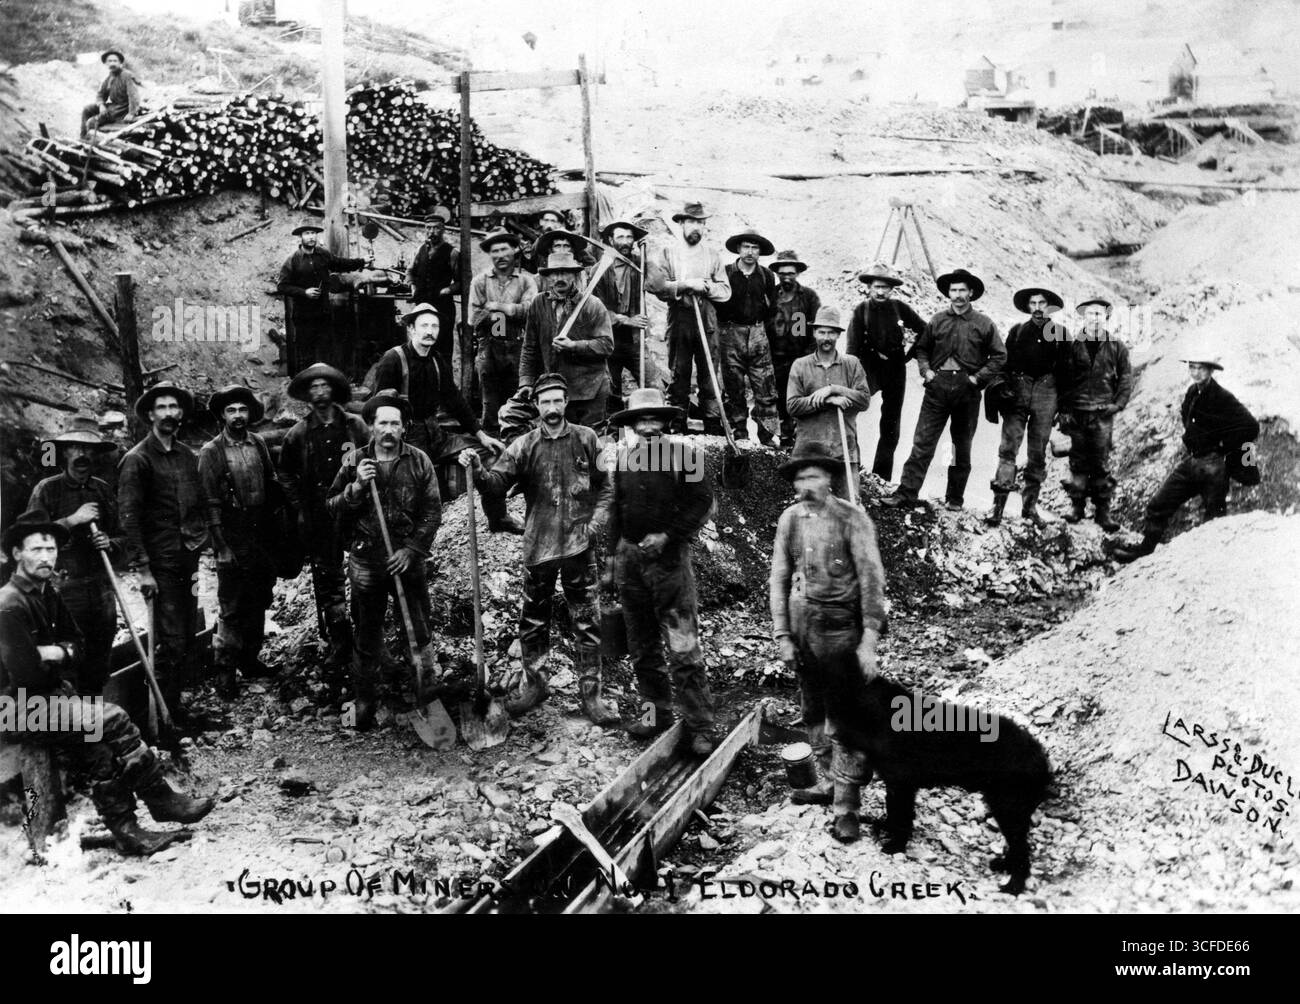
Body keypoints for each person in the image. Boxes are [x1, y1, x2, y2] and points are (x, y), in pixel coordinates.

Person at [0, 509, 215, 856]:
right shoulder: (9, 604)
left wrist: (56, 652)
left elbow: (79, 645)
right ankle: (160, 799)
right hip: (16, 709)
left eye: (51, 550)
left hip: (47, 700)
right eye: (36, 549)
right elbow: (28, 676)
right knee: (111, 718)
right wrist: (62, 657)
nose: (45, 557)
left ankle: (128, 831)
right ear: (15, 554)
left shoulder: (47, 593)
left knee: (100, 749)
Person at [459, 373, 620, 726]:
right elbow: (496, 483)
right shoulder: (524, 445)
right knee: (533, 621)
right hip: (539, 546)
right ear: (536, 406)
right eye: (544, 402)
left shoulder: (587, 438)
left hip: (580, 545)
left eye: (556, 400)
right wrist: (477, 470)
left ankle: (591, 694)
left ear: (566, 402)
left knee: (588, 622)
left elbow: (607, 486)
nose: (551, 407)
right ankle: (535, 685)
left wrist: (595, 524)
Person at [770, 442, 887, 842]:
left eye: (814, 476)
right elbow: (779, 578)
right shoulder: (790, 519)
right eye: (801, 478)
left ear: (830, 478)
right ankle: (828, 782)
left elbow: (873, 584)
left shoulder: (852, 518)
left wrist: (868, 642)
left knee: (846, 721)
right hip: (804, 631)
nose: (807, 484)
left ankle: (847, 807)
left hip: (841, 631)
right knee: (813, 712)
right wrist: (783, 634)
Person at [605, 388, 717, 755]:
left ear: (665, 421)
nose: (649, 425)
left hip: (669, 565)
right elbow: (616, 511)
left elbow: (703, 503)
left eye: (655, 418)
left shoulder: (688, 455)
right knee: (642, 646)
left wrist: (668, 535)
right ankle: (656, 714)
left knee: (683, 648)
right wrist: (612, 558)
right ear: (634, 424)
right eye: (642, 419)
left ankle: (700, 725)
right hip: (630, 564)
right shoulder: (623, 460)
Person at [326, 391, 442, 731]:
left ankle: (427, 696)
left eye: (395, 423)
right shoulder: (355, 462)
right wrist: (358, 487)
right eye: (382, 423)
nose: (388, 429)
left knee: (418, 629)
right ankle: (364, 700)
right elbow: (331, 507)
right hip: (366, 560)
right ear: (372, 427)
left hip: (407, 560)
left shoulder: (419, 460)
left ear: (404, 428)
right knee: (366, 631)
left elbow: (433, 512)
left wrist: (412, 550)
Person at [371, 303, 521, 534]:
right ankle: (416, 545)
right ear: (411, 329)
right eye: (424, 326)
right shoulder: (392, 360)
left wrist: (481, 435)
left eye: (435, 326)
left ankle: (498, 517)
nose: (430, 331)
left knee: (491, 454)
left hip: (436, 434)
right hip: (405, 438)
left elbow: (455, 400)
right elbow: (378, 409)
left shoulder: (437, 360)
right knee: (413, 487)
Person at [116, 383, 209, 728]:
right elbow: (129, 519)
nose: (169, 412)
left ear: (180, 413)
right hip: (161, 564)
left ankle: (176, 709)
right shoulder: (137, 460)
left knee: (186, 635)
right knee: (169, 641)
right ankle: (161, 718)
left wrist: (202, 541)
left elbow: (197, 504)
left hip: (189, 559)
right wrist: (142, 570)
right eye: (162, 407)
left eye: (174, 407)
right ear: (150, 415)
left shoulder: (187, 456)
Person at [1115, 347, 1259, 563]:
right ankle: (1145, 550)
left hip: (1214, 465)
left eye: (1201, 368)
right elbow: (1186, 416)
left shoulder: (1222, 396)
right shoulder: (1193, 392)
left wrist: (1221, 446)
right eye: (1193, 367)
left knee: (1214, 518)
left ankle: (1211, 563)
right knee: (1159, 504)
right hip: (1193, 461)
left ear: (1211, 371)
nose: (1196, 372)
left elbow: (1250, 426)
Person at [883, 268, 1006, 511]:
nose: (958, 295)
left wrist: (976, 379)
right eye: (954, 290)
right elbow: (922, 349)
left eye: (962, 290)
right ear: (948, 293)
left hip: (967, 393)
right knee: (923, 443)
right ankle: (906, 494)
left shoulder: (984, 324)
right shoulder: (937, 320)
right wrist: (926, 372)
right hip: (937, 391)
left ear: (971, 292)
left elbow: (1000, 357)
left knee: (960, 447)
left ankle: (955, 499)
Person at [278, 363, 370, 667]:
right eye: (313, 387)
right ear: (307, 395)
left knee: (363, 573)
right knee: (328, 580)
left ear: (334, 391)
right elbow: (286, 474)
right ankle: (339, 639)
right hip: (320, 516)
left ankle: (367, 638)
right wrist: (300, 507)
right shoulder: (298, 434)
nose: (319, 392)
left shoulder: (355, 426)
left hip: (355, 511)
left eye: (324, 386)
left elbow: (373, 460)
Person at [28, 416, 125, 695]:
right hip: (63, 590)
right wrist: (72, 520)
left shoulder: (102, 489)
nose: (82, 455)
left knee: (99, 661)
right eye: (75, 448)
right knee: (67, 660)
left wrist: (109, 542)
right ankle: (69, 731)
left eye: (89, 449)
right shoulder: (47, 490)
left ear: (96, 455)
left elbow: (123, 538)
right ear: (64, 452)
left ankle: (94, 728)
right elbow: (31, 539)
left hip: (101, 588)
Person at [197, 386, 280, 699]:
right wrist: (221, 546)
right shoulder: (211, 451)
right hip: (230, 532)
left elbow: (271, 482)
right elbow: (209, 502)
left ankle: (250, 659)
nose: (238, 416)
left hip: (259, 532)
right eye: (231, 411)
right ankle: (225, 670)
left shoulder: (257, 442)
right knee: (232, 605)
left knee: (258, 598)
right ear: (222, 415)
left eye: (242, 410)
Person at [645, 202, 731, 436]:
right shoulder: (667, 253)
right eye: (692, 222)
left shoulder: (712, 255)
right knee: (679, 371)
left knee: (709, 372)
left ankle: (713, 421)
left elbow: (725, 291)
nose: (697, 227)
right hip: (680, 316)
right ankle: (677, 420)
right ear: (682, 223)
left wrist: (705, 287)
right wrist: (685, 285)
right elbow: (656, 286)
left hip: (707, 318)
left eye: (701, 223)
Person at [985, 286, 1067, 527]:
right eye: (1033, 303)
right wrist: (1004, 387)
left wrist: (1062, 406)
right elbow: (1005, 363)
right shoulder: (1017, 331)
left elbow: (1067, 372)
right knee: (1008, 448)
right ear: (1028, 307)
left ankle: (1029, 508)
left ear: (1049, 306)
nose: (1038, 308)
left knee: (1037, 452)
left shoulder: (1061, 334)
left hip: (1047, 392)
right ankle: (997, 507)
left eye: (1043, 303)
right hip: (1019, 392)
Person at [844, 264, 927, 480]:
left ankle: (882, 476)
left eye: (885, 288)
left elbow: (925, 330)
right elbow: (852, 348)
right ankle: (852, 465)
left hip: (895, 368)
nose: (881, 292)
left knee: (891, 424)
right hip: (869, 366)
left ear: (892, 290)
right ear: (869, 288)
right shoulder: (861, 310)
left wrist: (910, 355)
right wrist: (852, 375)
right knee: (850, 409)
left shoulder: (900, 308)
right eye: (877, 287)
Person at [1057, 298, 1131, 531]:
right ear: (1084, 317)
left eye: (1099, 314)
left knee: (1100, 463)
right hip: (1077, 413)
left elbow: (1126, 378)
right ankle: (1076, 509)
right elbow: (1062, 378)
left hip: (1102, 413)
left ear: (1106, 317)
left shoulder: (1116, 346)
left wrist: (1117, 404)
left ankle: (1102, 513)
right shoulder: (1071, 345)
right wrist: (1064, 409)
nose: (1095, 318)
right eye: (1091, 314)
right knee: (1078, 461)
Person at [518, 250, 614, 428]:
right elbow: (529, 347)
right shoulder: (538, 303)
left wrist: (574, 345)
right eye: (554, 273)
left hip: (590, 389)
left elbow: (606, 345)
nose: (559, 278)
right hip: (556, 390)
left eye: (565, 272)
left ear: (574, 275)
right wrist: (526, 381)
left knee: (590, 443)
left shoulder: (592, 305)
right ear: (548, 277)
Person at [786, 306, 872, 501]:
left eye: (831, 332)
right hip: (810, 452)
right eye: (822, 332)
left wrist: (835, 388)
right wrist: (827, 400)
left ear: (838, 335)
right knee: (810, 510)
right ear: (815, 333)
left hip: (844, 451)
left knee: (850, 509)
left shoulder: (852, 364)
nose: (826, 337)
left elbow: (864, 400)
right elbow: (793, 406)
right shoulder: (800, 365)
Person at [469, 230, 537, 434]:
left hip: (518, 344)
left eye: (504, 249)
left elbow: (531, 311)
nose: (500, 255)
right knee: (489, 398)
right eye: (495, 251)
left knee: (517, 396)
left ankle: (516, 440)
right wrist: (495, 315)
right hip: (489, 345)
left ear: (514, 250)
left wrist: (500, 307)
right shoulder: (480, 281)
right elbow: (474, 316)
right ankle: (490, 439)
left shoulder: (526, 281)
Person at [716, 229, 780, 444]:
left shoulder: (767, 275)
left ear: (760, 251)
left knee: (765, 386)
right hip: (730, 333)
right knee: (734, 387)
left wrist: (765, 334)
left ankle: (766, 434)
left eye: (755, 247)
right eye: (746, 246)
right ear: (738, 249)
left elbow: (772, 308)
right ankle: (740, 432)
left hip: (758, 333)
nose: (750, 252)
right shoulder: (725, 273)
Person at [277, 224, 367, 373]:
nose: (311, 236)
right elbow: (282, 286)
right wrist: (304, 292)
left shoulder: (323, 254)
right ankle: (305, 387)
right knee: (306, 354)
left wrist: (362, 261)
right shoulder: (293, 260)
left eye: (313, 233)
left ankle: (326, 384)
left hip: (323, 313)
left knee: (326, 352)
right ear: (301, 237)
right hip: (303, 316)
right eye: (307, 233)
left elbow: (340, 264)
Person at [590, 220, 654, 414]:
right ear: (611, 240)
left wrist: (646, 257)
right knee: (610, 391)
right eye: (620, 237)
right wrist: (624, 319)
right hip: (607, 340)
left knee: (654, 384)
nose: (625, 242)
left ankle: (652, 434)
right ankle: (614, 436)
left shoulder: (639, 266)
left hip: (635, 340)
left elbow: (658, 284)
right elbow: (595, 309)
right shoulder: (598, 270)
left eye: (629, 237)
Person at [769, 250, 821, 449]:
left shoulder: (809, 297)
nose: (786, 277)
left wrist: (808, 356)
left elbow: (817, 327)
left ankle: (803, 437)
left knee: (801, 398)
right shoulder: (771, 295)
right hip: (776, 357)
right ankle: (784, 435)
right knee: (780, 398)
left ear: (797, 273)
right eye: (782, 273)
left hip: (800, 358)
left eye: (790, 273)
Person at [407, 207, 460, 358]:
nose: (431, 232)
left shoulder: (452, 253)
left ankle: (444, 380)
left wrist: (448, 290)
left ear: (443, 230)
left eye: (436, 228)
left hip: (442, 308)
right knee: (420, 346)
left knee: (442, 349)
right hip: (422, 306)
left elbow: (461, 283)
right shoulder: (420, 250)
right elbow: (410, 271)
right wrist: (412, 286)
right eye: (428, 228)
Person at [80, 49, 140, 138]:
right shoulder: (109, 77)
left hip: (121, 110)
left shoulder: (127, 75)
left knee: (91, 122)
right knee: (87, 109)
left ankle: (90, 141)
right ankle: (82, 136)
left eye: (115, 61)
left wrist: (131, 113)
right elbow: (100, 94)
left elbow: (133, 96)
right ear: (106, 63)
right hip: (112, 106)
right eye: (110, 61)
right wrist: (101, 105)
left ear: (120, 63)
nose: (112, 63)